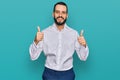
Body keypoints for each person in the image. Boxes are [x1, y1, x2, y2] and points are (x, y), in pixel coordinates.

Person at [29, 2, 89, 80]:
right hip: (49, 73)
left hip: (68, 74)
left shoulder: (74, 34)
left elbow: (83, 57)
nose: (60, 15)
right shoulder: (44, 33)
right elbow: (33, 57)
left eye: (63, 12)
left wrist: (84, 45)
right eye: (57, 12)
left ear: (67, 15)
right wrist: (36, 41)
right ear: (53, 14)